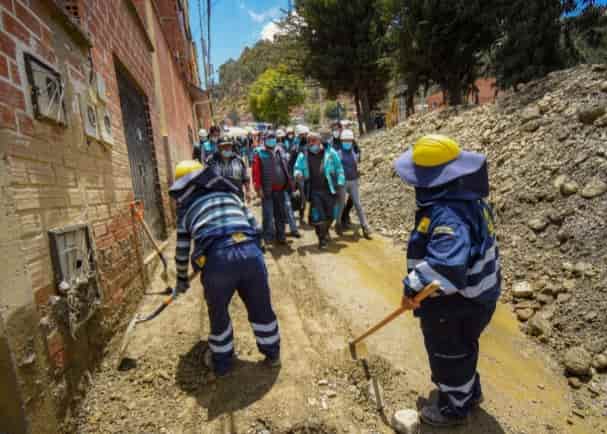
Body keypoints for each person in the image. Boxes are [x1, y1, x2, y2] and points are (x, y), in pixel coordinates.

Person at [394, 135, 500, 427]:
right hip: (479, 296)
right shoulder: (466, 199)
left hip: (455, 303)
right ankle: (469, 392)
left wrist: (412, 288)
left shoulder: (448, 216)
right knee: (465, 345)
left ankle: (454, 409)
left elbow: (447, 267)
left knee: (447, 353)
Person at [169, 160, 281, 377]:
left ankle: (222, 364)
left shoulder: (185, 211)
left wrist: (181, 280)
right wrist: (256, 253)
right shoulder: (232, 196)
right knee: (261, 306)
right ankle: (273, 354)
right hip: (251, 253)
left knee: (218, 313)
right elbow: (255, 227)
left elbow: (182, 251)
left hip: (218, 261)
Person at [294, 132, 345, 249]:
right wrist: (298, 173)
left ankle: (325, 231)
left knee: (331, 215)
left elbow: (339, 168)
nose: (311, 143)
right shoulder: (304, 155)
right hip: (314, 191)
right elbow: (297, 168)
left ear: (320, 140)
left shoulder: (330, 153)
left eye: (313, 140)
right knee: (319, 216)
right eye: (309, 141)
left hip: (329, 189)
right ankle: (321, 239)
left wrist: (340, 181)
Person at [252, 131, 294, 244]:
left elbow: (285, 167)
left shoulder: (280, 151)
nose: (272, 140)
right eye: (269, 138)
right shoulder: (259, 153)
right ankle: (268, 236)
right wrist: (258, 188)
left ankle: (281, 235)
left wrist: (289, 182)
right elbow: (256, 173)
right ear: (265, 140)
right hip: (267, 190)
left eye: (273, 138)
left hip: (281, 189)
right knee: (268, 214)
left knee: (280, 214)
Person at [336, 130, 371, 239]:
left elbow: (357, 166)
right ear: (341, 141)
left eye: (349, 140)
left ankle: (365, 227)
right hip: (342, 183)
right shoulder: (337, 154)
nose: (347, 142)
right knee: (341, 205)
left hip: (354, 181)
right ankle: (338, 224)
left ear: (352, 141)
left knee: (358, 204)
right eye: (345, 140)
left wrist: (359, 172)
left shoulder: (354, 153)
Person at [205, 136, 251, 201]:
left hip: (237, 198)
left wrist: (248, 191)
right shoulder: (211, 161)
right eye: (223, 146)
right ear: (218, 147)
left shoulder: (238, 160)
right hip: (217, 199)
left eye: (229, 146)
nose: (227, 148)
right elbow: (206, 180)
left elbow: (245, 177)